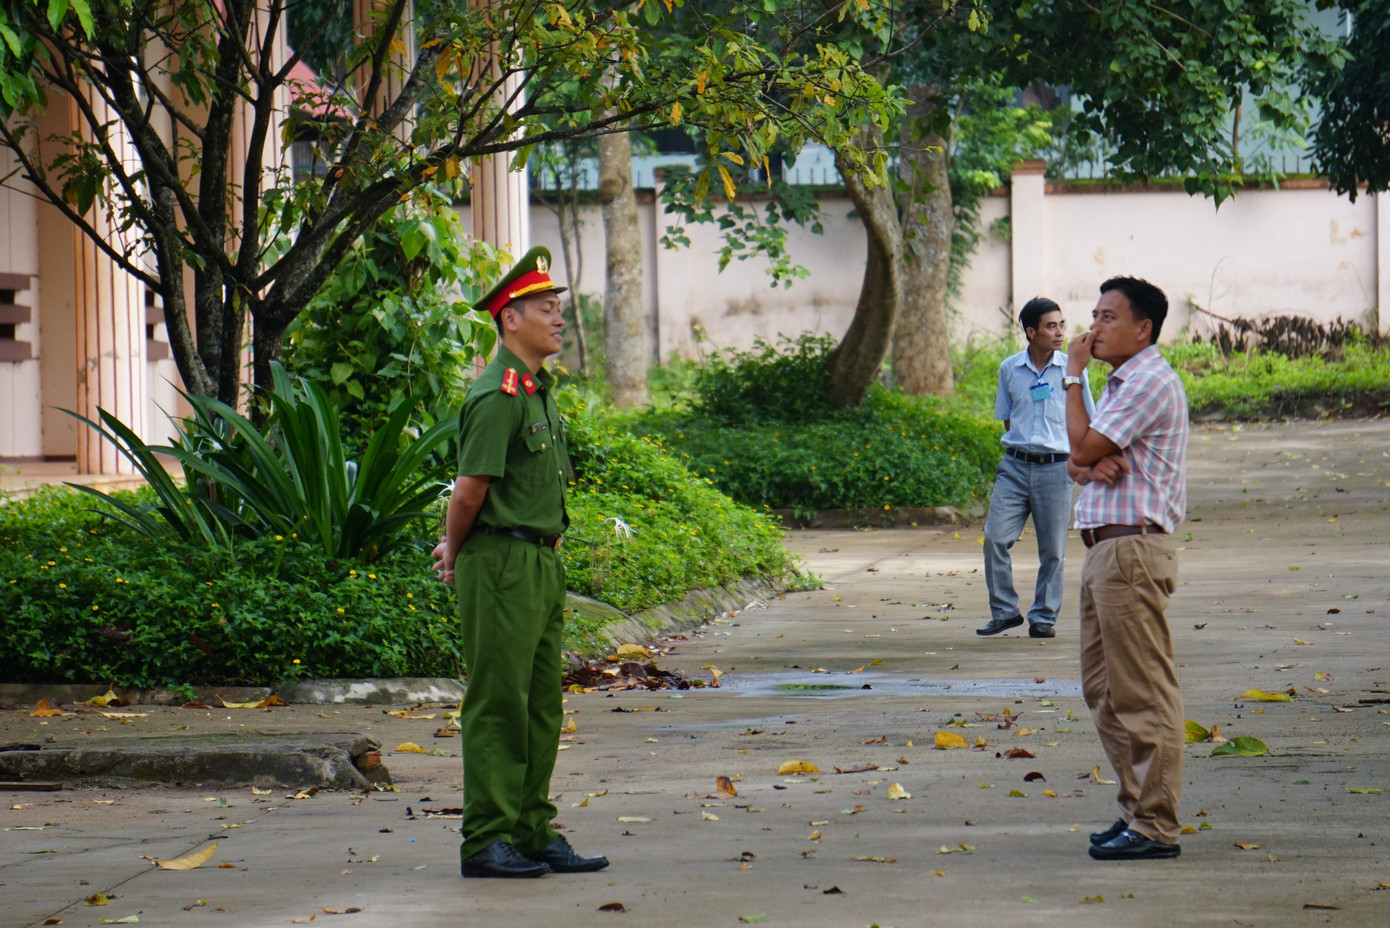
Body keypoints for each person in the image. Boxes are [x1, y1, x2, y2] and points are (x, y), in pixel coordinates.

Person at [431, 246, 609, 879]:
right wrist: (454, 549)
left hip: (538, 562)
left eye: (558, 308)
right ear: (510, 319)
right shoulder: (498, 393)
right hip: (502, 561)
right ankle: (485, 839)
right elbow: (469, 489)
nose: (558, 319)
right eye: (545, 308)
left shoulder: (535, 389)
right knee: (498, 702)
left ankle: (531, 830)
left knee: (540, 705)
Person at [1063, 275, 1190, 861]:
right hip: (1105, 550)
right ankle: (1135, 813)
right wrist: (1088, 463)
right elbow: (1078, 459)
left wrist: (1071, 378)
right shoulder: (1120, 385)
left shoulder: (1146, 382)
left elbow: (1084, 448)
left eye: (1108, 317)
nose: (1093, 327)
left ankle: (1156, 825)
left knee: (1142, 693)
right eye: (1093, 314)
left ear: (1144, 328)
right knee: (1104, 690)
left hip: (1131, 551)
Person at [977, 297, 1095, 639]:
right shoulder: (1009, 368)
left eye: (1061, 324)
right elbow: (1008, 418)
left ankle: (1043, 617)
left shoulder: (1073, 372)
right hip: (1014, 467)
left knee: (1053, 551)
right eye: (1050, 326)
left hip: (1056, 470)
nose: (1059, 333)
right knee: (995, 539)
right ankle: (1004, 611)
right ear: (1031, 332)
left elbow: (1087, 418)